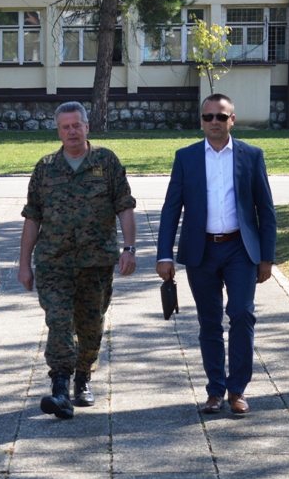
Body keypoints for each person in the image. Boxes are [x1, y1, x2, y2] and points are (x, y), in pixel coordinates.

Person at [156, 93, 276, 415]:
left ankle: (237, 390)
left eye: (221, 117)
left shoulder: (252, 155)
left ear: (232, 120)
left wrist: (267, 257)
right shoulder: (186, 157)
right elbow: (171, 208)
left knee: (241, 314)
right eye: (207, 116)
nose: (214, 122)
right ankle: (215, 390)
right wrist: (164, 254)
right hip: (202, 250)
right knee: (209, 322)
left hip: (240, 249)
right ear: (201, 121)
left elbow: (266, 210)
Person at [18, 101, 137, 419]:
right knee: (59, 321)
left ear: (87, 126)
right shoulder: (45, 168)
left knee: (91, 324)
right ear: (58, 131)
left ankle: (82, 377)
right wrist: (24, 264)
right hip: (54, 262)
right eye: (65, 127)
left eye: (76, 125)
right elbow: (32, 217)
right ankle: (59, 386)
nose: (71, 131)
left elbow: (124, 205)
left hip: (96, 262)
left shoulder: (106, 161)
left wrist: (129, 248)